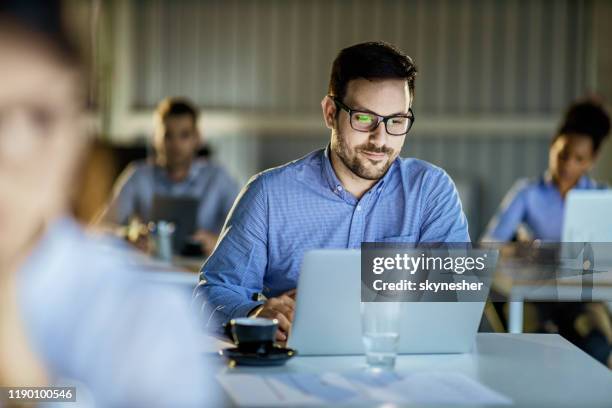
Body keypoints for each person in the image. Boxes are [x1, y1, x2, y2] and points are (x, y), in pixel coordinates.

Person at [0, 4, 215, 406]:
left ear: (76, 136)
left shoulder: (142, 319)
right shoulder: (138, 179)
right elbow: (103, 225)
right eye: (168, 136)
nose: (9, 157)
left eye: (39, 118)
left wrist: (25, 386)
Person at [195, 42, 470, 341]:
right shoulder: (268, 195)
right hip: (294, 370)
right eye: (364, 118)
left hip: (400, 369)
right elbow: (211, 294)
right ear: (330, 113)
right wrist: (254, 315)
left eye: (397, 121)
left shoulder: (431, 190)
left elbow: (453, 300)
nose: (381, 139)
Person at [482, 98, 612, 367]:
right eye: (563, 154)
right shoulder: (527, 193)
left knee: (598, 343)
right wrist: (519, 248)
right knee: (536, 347)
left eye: (579, 159)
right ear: (553, 145)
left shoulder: (602, 197)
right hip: (536, 294)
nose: (567, 165)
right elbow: (489, 245)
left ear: (591, 161)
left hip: (582, 296)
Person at [101, 97, 239, 255]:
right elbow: (101, 227)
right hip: (149, 271)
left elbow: (247, 231)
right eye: (168, 135)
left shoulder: (218, 177)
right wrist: (127, 237)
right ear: (155, 138)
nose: (176, 144)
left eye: (184, 135)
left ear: (197, 138)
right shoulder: (138, 175)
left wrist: (218, 241)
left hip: (204, 274)